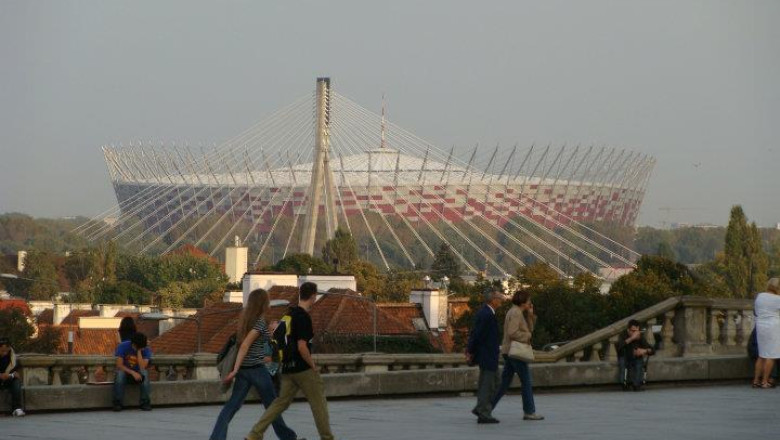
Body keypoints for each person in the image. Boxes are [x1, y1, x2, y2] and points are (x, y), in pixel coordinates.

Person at [245, 282, 334, 440]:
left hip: (287, 368)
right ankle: (327, 437)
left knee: (279, 403)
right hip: (302, 368)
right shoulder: (304, 317)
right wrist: (312, 365)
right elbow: (302, 346)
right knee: (318, 403)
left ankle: (255, 433)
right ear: (313, 296)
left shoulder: (289, 315)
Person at [211, 289, 300, 440]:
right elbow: (245, 345)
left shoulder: (246, 321)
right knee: (272, 406)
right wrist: (235, 369)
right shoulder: (260, 322)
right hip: (256, 370)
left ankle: (216, 438)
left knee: (232, 406)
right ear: (263, 303)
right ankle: (288, 437)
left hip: (245, 371)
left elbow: (249, 344)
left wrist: (238, 369)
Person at [491, 290, 544, 420]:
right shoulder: (515, 313)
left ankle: (486, 407)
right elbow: (512, 332)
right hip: (514, 352)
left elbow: (530, 329)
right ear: (523, 301)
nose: (530, 303)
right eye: (529, 301)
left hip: (509, 351)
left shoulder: (517, 312)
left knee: (504, 383)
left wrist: (530, 316)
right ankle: (529, 411)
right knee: (526, 381)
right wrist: (527, 336)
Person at [466, 290, 505, 424]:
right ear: (493, 300)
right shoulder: (487, 315)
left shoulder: (485, 313)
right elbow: (477, 335)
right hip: (487, 355)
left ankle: (481, 408)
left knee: (492, 383)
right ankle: (483, 412)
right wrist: (470, 351)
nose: (502, 301)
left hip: (487, 354)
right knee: (490, 384)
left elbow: (476, 334)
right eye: (500, 298)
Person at [113, 332, 152, 411]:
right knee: (120, 374)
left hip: (138, 374)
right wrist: (132, 372)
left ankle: (145, 402)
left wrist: (139, 351)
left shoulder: (146, 349)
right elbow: (119, 365)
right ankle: (118, 402)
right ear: (133, 344)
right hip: (126, 373)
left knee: (145, 373)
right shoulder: (122, 346)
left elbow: (142, 367)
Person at [753, 278, 780, 389]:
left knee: (761, 355)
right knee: (771, 355)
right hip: (773, 326)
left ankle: (755, 381)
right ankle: (765, 381)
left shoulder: (760, 296)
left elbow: (756, 312)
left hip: (760, 326)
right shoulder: (777, 299)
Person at [616, 319, 654, 391]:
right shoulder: (623, 335)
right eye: (633, 331)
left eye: (637, 331)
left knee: (639, 362)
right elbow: (619, 346)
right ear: (628, 330)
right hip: (625, 356)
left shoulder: (640, 337)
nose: (636, 333)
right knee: (622, 362)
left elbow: (652, 349)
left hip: (635, 358)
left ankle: (636, 385)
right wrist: (632, 338)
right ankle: (623, 384)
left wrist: (644, 351)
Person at [0, 337, 25, 417]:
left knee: (16, 381)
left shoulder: (11, 356)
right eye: (3, 351)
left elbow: (14, 370)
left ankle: (17, 409)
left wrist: (13, 374)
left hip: (6, 379)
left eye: (7, 350)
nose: (5, 353)